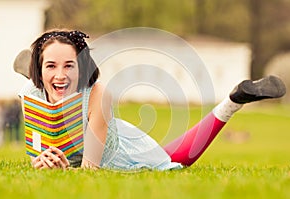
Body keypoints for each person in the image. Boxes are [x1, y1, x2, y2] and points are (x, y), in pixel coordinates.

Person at [18, 29, 286, 170]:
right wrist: (40, 163)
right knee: (47, 87)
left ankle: (233, 101)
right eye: (51, 66)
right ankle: (35, 67)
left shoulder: (99, 94)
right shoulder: (30, 98)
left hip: (122, 154)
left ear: (83, 68)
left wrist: (65, 172)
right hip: (60, 112)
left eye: (70, 66)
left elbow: (90, 169)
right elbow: (37, 146)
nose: (61, 74)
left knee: (178, 158)